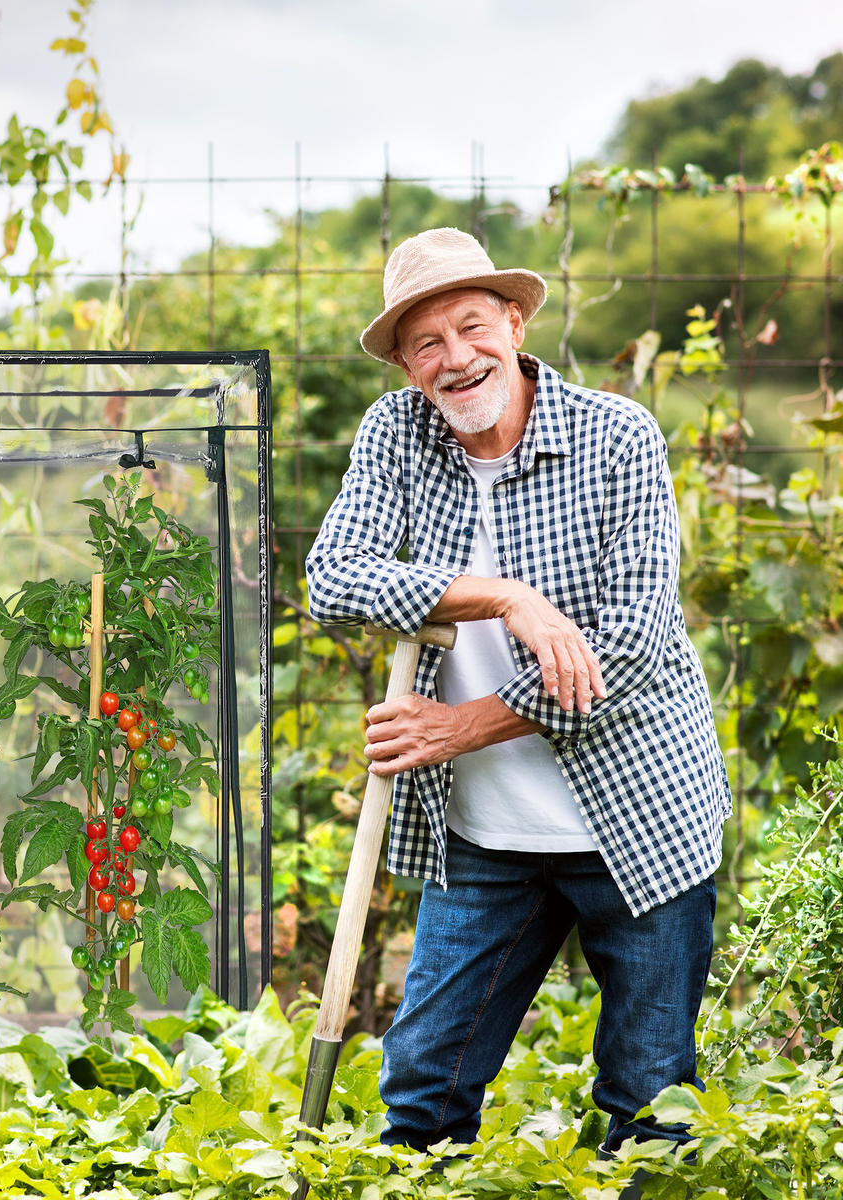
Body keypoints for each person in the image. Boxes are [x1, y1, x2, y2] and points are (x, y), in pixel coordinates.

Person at [305, 227, 730, 1157]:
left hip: (641, 819)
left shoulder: (618, 436)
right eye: (426, 343)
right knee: (422, 1089)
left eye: (470, 326)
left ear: (515, 319)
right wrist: (506, 597)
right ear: (409, 366)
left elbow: (630, 643)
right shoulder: (399, 434)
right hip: (487, 838)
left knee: (649, 1103)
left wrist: (460, 725)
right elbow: (334, 575)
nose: (455, 359)